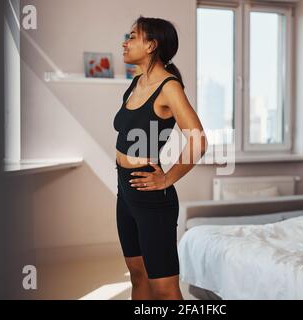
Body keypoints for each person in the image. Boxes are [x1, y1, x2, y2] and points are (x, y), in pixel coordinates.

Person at [113, 16, 208, 300]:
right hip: (125, 190)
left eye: (132, 36)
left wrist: (167, 177)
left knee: (165, 290)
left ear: (151, 45)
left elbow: (198, 139)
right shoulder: (136, 82)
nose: (125, 42)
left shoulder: (169, 87)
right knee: (138, 275)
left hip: (152, 198)